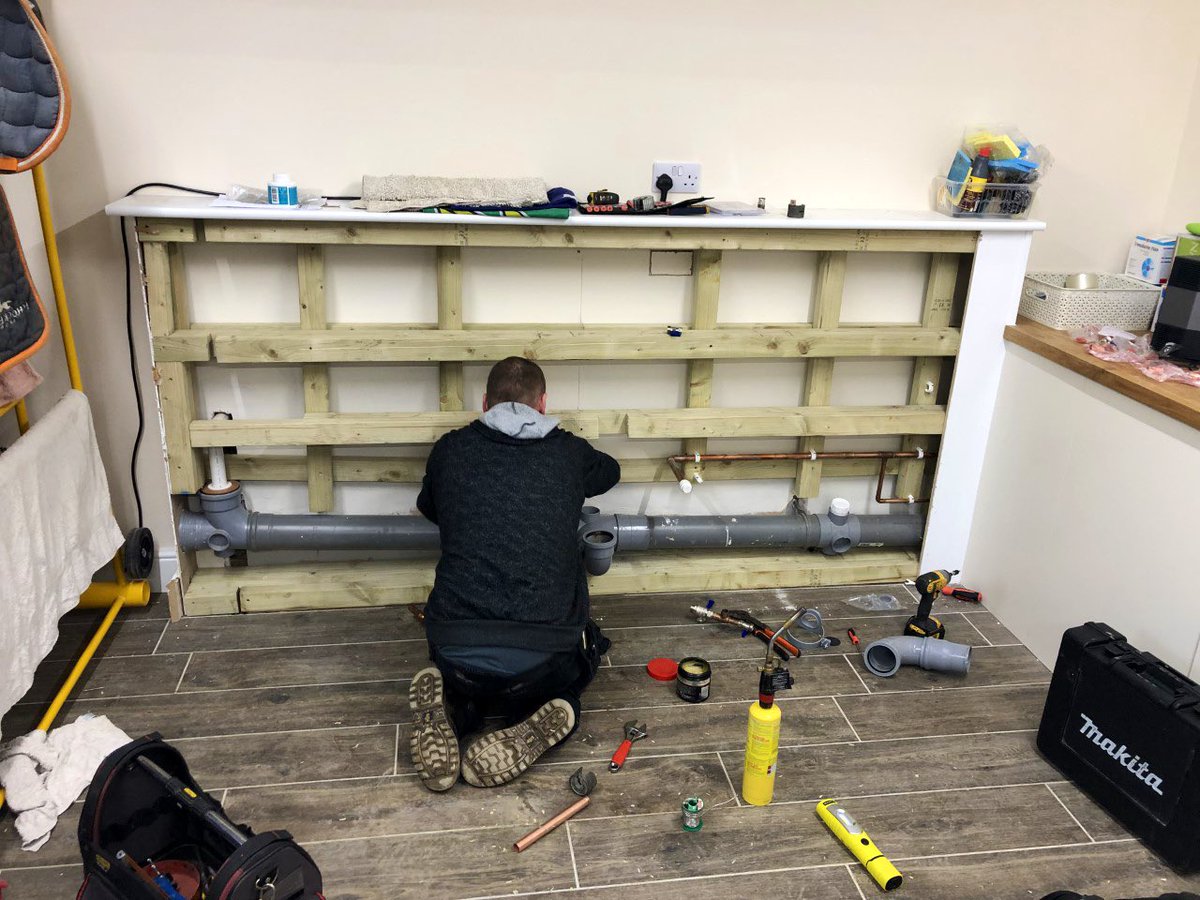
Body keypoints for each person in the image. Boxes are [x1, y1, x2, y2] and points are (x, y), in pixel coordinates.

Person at [410, 356, 620, 791]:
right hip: (542, 661)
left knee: (466, 684)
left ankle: (455, 707)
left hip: (454, 650)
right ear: (542, 403)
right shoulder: (569, 451)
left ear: (485, 402)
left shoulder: (450, 449)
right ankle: (543, 711)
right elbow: (611, 471)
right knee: (578, 673)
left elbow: (429, 507)